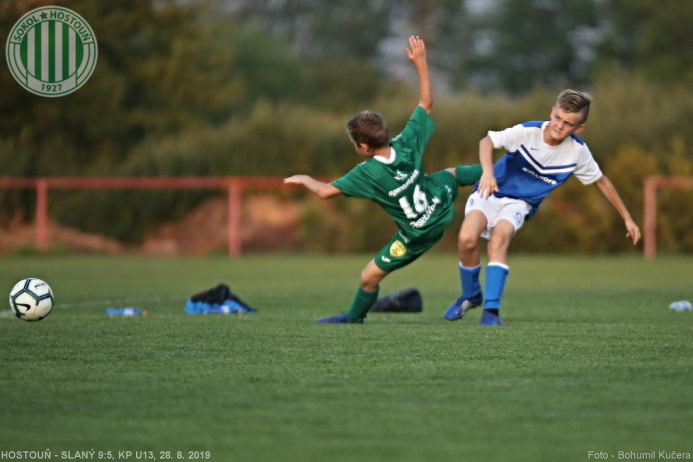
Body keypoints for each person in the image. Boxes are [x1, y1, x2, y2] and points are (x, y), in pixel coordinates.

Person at [284, 36, 482, 324]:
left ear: (363, 147)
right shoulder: (405, 142)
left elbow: (326, 192)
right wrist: (421, 63)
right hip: (439, 205)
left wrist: (304, 178)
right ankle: (498, 172)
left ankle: (353, 318)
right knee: (452, 174)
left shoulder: (367, 172)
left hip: (415, 235)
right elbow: (426, 103)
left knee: (368, 278)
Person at [444, 89, 641, 326]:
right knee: (466, 238)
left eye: (568, 124)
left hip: (519, 204)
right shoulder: (528, 132)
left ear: (579, 129)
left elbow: (600, 181)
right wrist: (487, 172)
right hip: (490, 191)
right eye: (558, 117)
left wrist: (627, 218)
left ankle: (491, 312)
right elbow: (487, 141)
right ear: (552, 112)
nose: (559, 125)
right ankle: (471, 295)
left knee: (499, 241)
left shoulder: (577, 152)